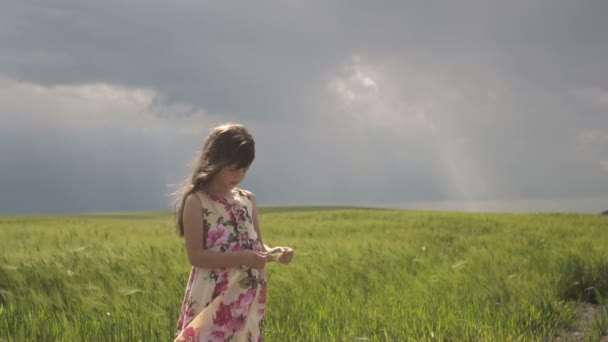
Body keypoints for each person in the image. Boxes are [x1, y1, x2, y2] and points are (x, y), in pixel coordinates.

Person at [172, 123, 294, 342]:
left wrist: (274, 253)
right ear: (215, 161)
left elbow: (258, 244)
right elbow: (196, 256)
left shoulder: (248, 199)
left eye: (245, 169)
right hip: (214, 295)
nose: (239, 175)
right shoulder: (197, 201)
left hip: (247, 294)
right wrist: (242, 258)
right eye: (233, 168)